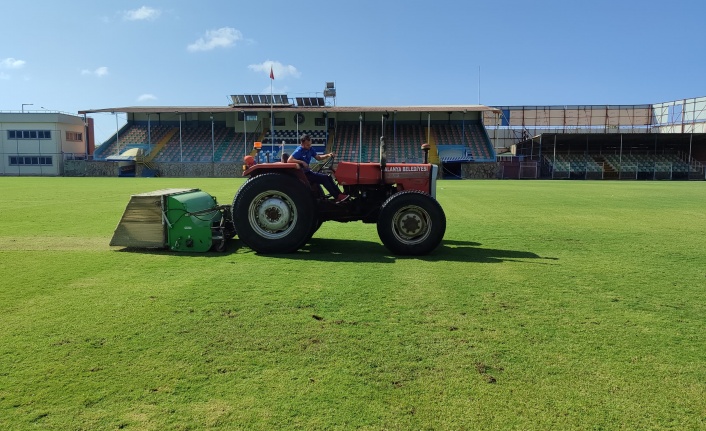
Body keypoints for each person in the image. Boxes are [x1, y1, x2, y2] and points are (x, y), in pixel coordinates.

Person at [288, 134, 349, 202]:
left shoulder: (310, 149)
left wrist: (328, 155)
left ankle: (340, 194)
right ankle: (337, 196)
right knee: (324, 179)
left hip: (308, 172)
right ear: (302, 144)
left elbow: (318, 158)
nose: (309, 146)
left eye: (310, 144)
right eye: (307, 145)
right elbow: (289, 160)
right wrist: (302, 162)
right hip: (304, 174)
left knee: (328, 177)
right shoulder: (299, 150)